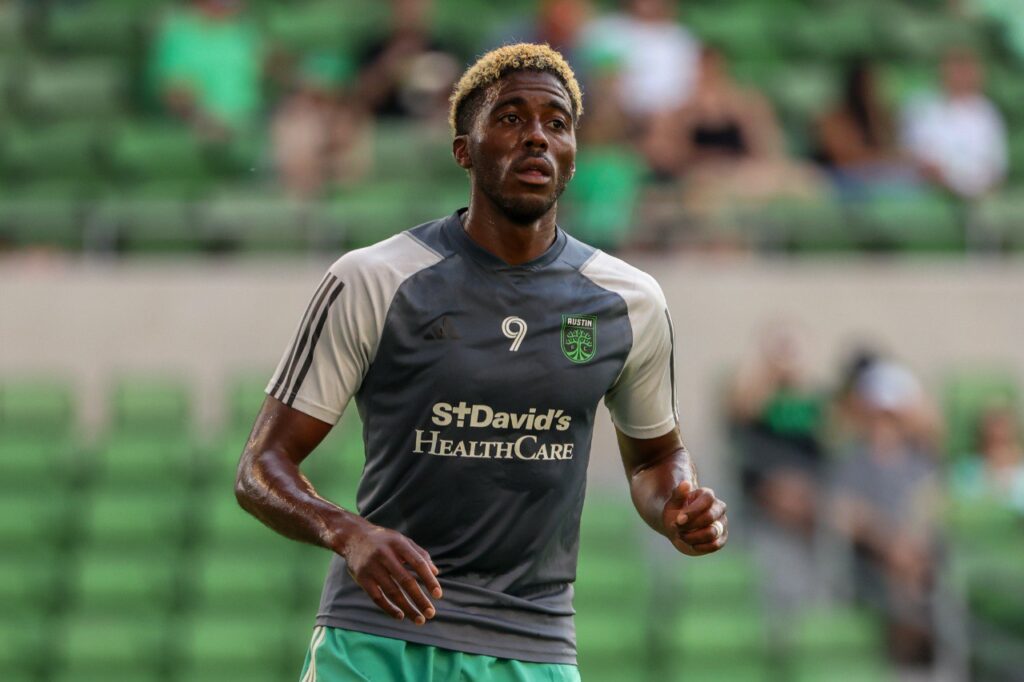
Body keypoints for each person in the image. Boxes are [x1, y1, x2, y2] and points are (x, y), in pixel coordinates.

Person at [235, 43, 728, 681]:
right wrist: (348, 533)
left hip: (532, 648)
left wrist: (676, 506)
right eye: (510, 118)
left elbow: (657, 458)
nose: (537, 138)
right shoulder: (374, 280)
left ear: (575, 154)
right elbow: (261, 468)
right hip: (377, 636)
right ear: (464, 150)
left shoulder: (627, 301)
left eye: (557, 123)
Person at [901, 47, 1008, 199]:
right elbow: (921, 160)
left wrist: (978, 189)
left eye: (967, 69)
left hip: (980, 193)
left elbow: (997, 168)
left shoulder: (988, 111)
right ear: (942, 70)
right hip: (932, 192)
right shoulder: (920, 107)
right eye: (957, 68)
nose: (962, 75)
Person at [149, 0, 265, 139]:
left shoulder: (244, 30)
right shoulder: (178, 34)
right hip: (199, 132)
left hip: (250, 126)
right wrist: (204, 120)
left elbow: (268, 65)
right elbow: (173, 92)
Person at [814, 59, 922, 200]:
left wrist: (874, 115)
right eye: (872, 83)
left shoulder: (884, 116)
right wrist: (887, 157)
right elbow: (846, 160)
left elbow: (895, 150)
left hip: (877, 176)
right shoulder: (832, 117)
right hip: (841, 179)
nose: (879, 88)